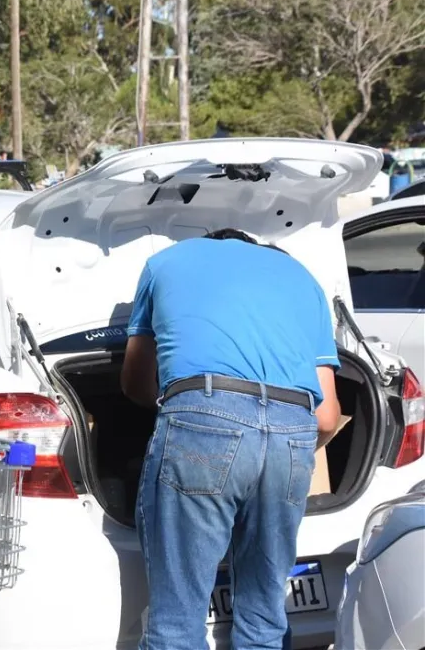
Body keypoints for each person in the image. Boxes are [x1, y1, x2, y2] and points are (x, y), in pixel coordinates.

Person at [120, 228, 342, 650]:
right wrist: (273, 454)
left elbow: (135, 382)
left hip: (203, 417)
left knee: (177, 622)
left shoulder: (165, 262)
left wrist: (198, 418)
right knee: (265, 619)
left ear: (212, 242)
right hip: (293, 430)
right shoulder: (302, 277)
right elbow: (327, 416)